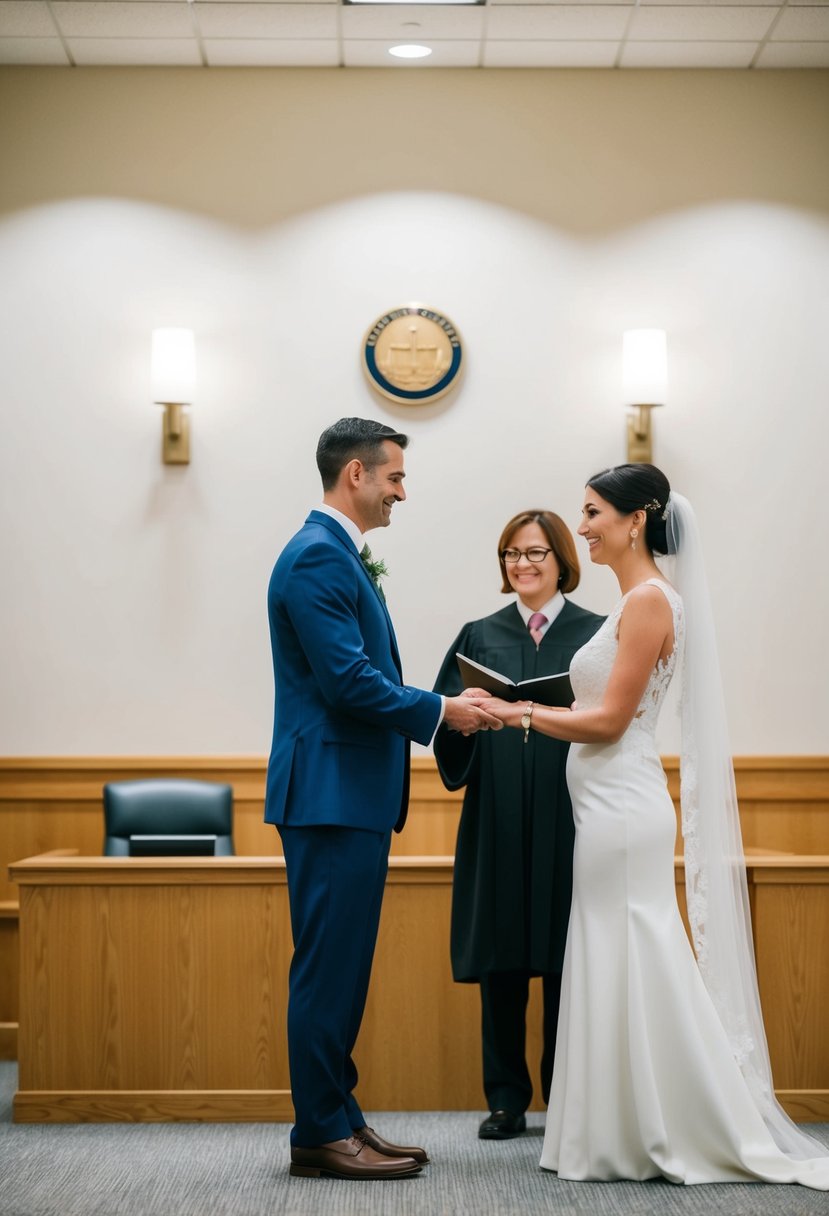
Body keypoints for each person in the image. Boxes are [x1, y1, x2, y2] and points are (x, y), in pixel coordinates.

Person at [475, 464, 829, 1189]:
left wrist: (517, 712)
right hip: (603, 803)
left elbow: (608, 721)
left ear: (636, 519)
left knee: (631, 947)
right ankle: (621, 1123)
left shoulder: (646, 602)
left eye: (592, 511)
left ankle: (663, 1123)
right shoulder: (631, 603)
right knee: (613, 951)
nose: (581, 528)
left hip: (622, 806)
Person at [264, 417, 500, 1181]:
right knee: (327, 970)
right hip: (329, 796)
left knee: (342, 968)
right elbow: (346, 682)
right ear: (355, 476)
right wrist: (441, 712)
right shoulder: (313, 558)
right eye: (394, 476)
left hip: (348, 795)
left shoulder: (335, 554)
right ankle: (319, 1134)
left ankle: (342, 1120)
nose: (402, 490)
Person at [432, 510, 603, 1140]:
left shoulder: (595, 634)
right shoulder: (478, 635)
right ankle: (506, 1099)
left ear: (562, 560)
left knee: (567, 956)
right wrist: (467, 712)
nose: (521, 564)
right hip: (498, 810)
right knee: (503, 955)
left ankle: (565, 1095)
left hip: (570, 811)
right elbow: (445, 720)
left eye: (534, 553)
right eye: (510, 553)